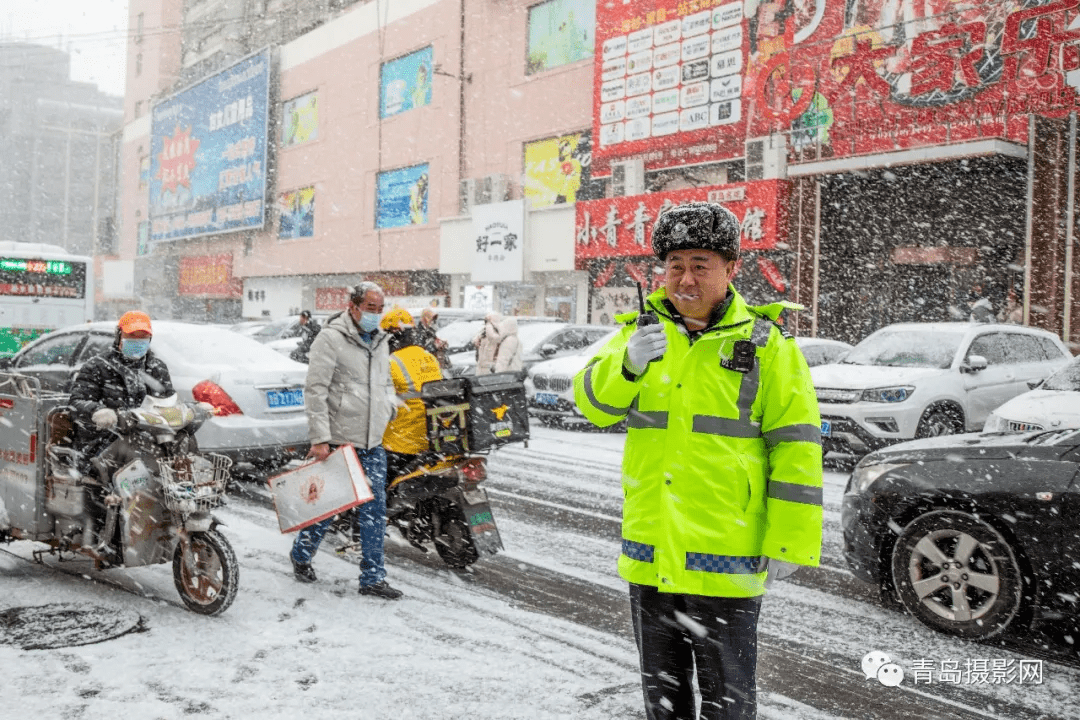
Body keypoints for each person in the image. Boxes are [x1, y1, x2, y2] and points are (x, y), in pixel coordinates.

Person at [574, 201, 823, 720]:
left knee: (728, 700)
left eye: (700, 265)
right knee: (663, 701)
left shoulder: (766, 344)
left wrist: (788, 543)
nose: (684, 279)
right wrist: (627, 365)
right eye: (675, 266)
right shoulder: (638, 335)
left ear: (731, 270)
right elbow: (592, 407)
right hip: (652, 552)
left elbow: (796, 447)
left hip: (727, 556)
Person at [289, 282, 403, 600]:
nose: (376, 315)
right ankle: (301, 555)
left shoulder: (381, 341)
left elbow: (384, 382)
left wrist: (388, 408)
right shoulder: (330, 339)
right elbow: (316, 390)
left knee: (374, 512)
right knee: (328, 508)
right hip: (340, 440)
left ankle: (372, 579)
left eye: (380, 309)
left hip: (373, 442)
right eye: (370, 308)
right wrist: (321, 438)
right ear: (352, 306)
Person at [69, 311, 176, 554]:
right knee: (131, 460)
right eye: (132, 336)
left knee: (177, 455)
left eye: (143, 337)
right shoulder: (97, 366)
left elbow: (167, 402)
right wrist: (99, 412)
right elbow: (77, 403)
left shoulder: (157, 367)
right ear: (119, 336)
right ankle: (108, 534)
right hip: (101, 440)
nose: (138, 341)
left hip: (145, 437)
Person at [380, 308, 444, 481]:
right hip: (431, 436)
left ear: (391, 334)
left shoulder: (391, 362)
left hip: (400, 442)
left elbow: (381, 402)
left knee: (377, 485)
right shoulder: (429, 356)